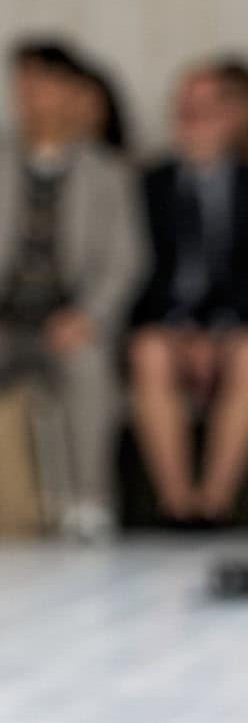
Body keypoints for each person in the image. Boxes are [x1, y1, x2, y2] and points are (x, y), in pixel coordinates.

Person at [125, 61, 248, 523]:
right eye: (187, 109)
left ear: (233, 117)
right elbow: (141, 270)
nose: (194, 120)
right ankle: (177, 503)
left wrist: (218, 330)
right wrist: (183, 329)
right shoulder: (150, 184)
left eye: (208, 109)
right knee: (149, 351)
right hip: (168, 321)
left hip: (241, 322)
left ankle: (214, 503)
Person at [0, 37, 147, 540]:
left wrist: (87, 316)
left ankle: (90, 500)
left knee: (87, 366)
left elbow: (124, 261)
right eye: (23, 85)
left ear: (69, 91)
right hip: (6, 321)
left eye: (41, 84)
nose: (30, 96)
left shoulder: (106, 172)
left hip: (68, 321)